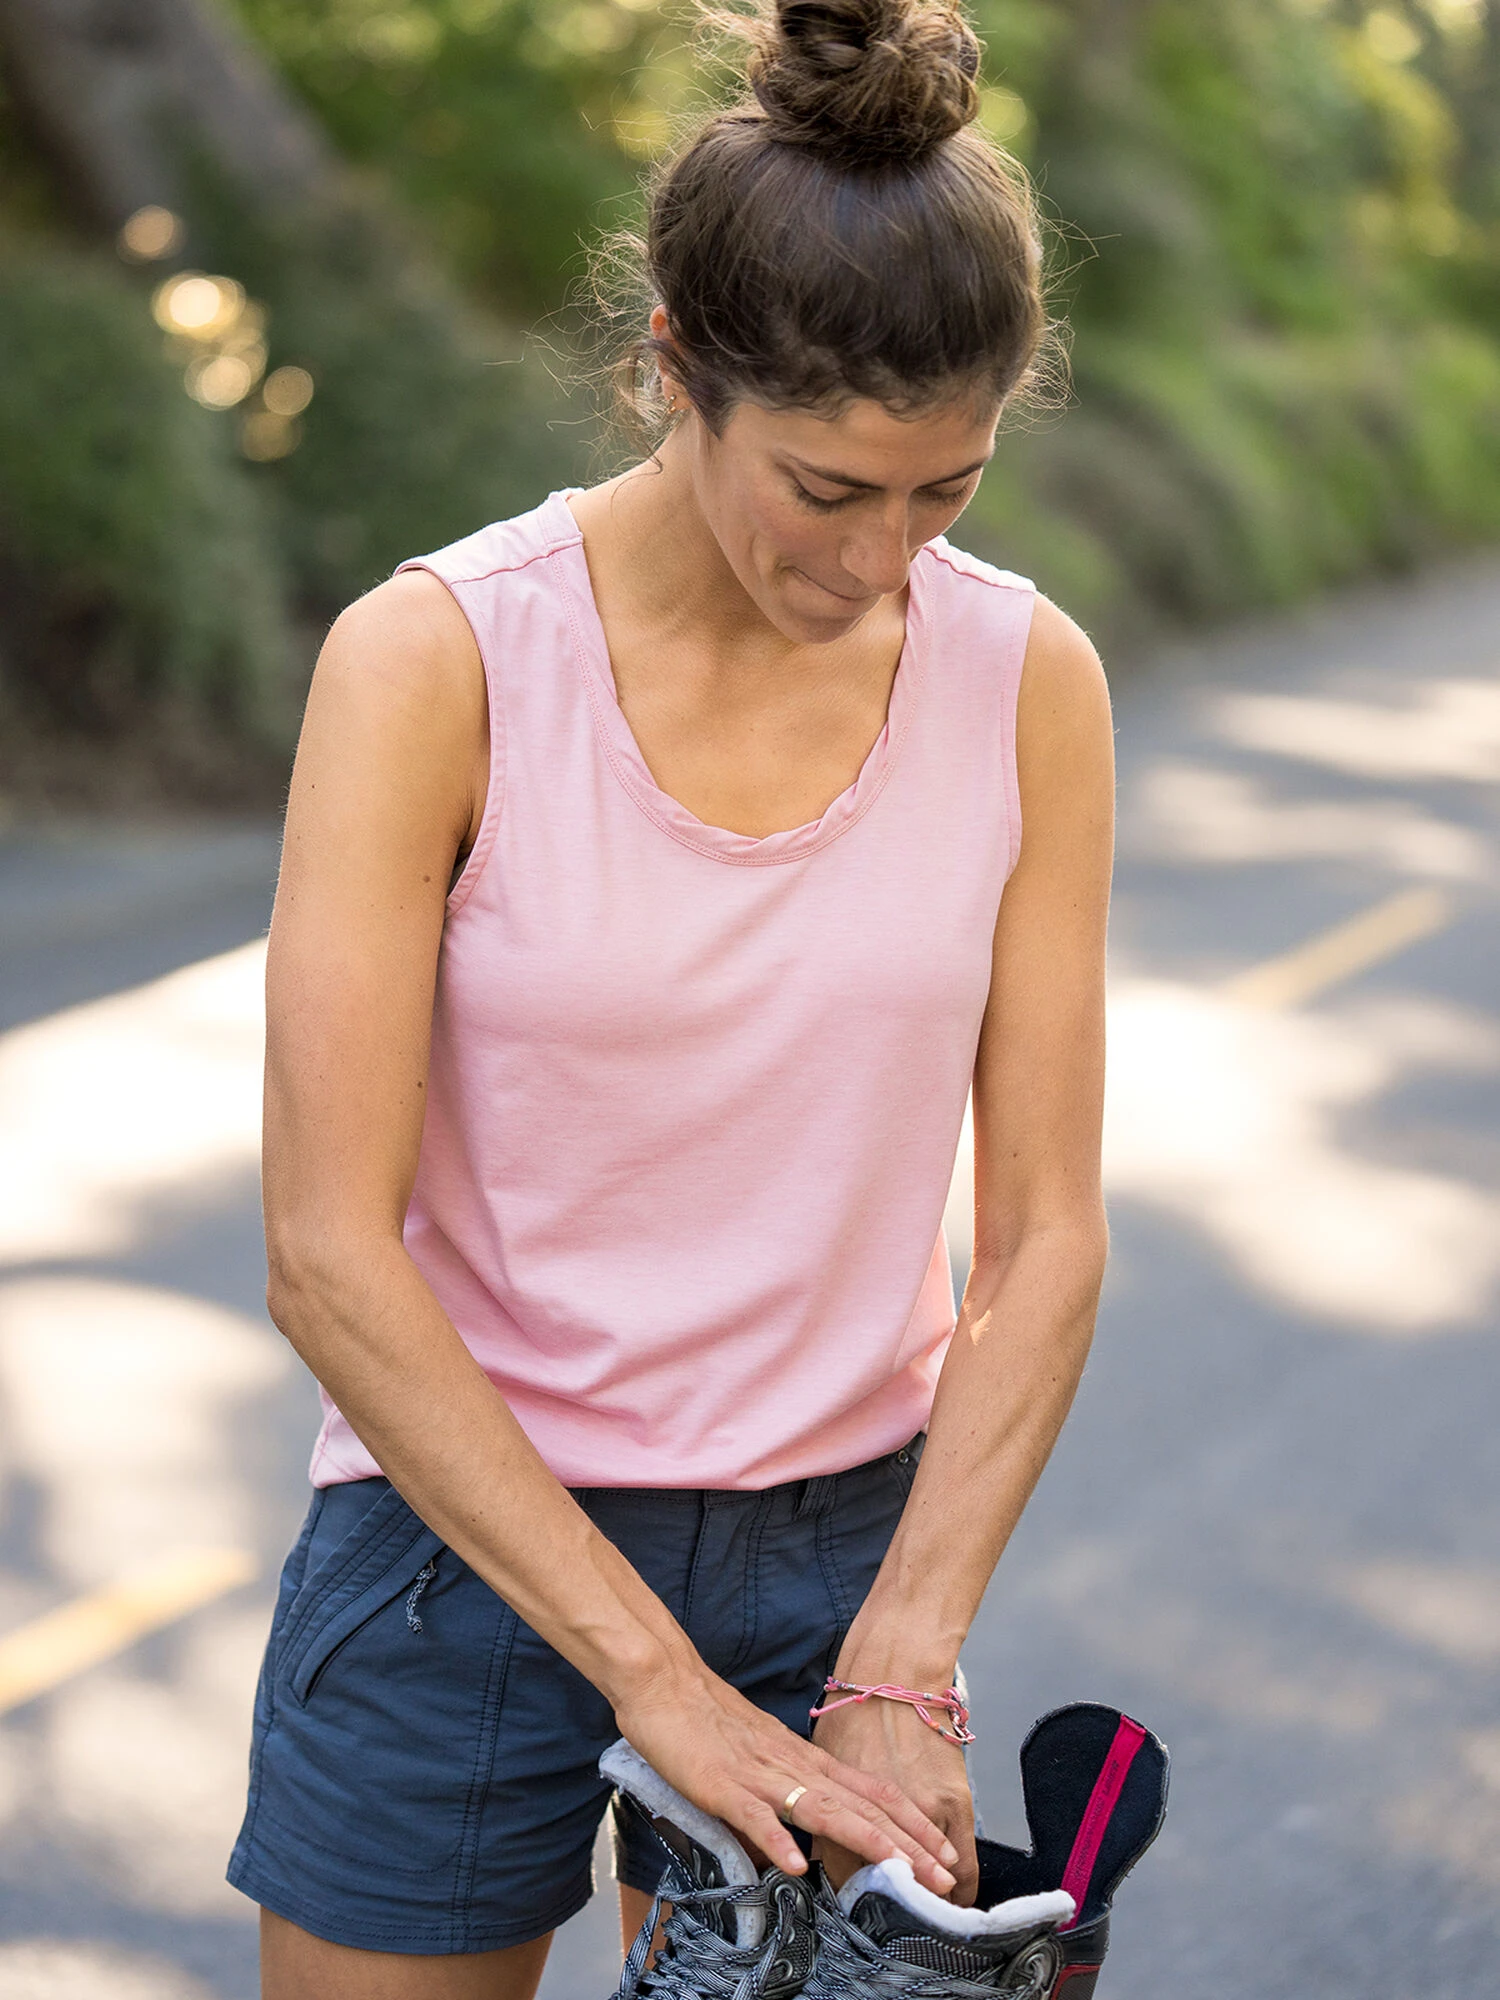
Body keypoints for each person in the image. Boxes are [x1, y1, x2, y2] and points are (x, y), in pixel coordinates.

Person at [227, 0, 1114, 1992]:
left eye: (944, 492)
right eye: (826, 489)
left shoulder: (1029, 678)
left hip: (846, 1554)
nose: (884, 558)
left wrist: (909, 1645)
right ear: (673, 378)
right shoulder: (433, 663)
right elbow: (322, 1248)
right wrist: (655, 1672)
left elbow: (1047, 1235)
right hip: (467, 1537)